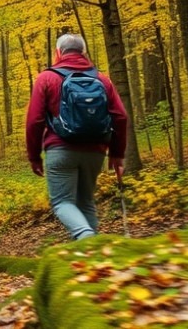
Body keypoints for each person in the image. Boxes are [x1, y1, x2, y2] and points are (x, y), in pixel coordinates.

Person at [25, 33, 127, 241]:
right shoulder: (102, 79)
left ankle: (87, 238)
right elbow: (121, 117)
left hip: (60, 150)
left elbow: (34, 120)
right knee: (86, 202)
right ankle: (94, 260)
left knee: (62, 202)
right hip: (95, 152)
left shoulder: (47, 78)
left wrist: (34, 156)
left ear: (58, 53)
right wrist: (117, 154)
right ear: (83, 52)